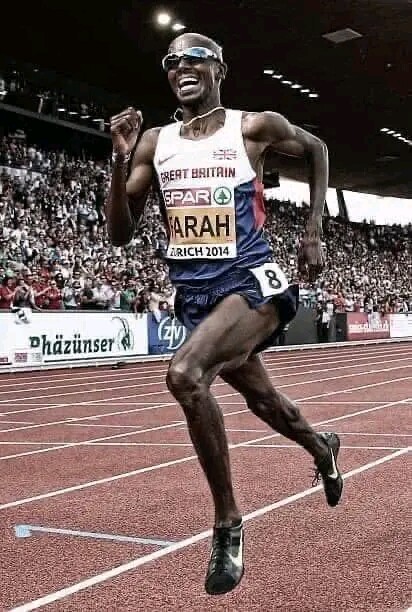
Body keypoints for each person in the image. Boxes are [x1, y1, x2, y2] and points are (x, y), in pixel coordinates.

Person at [106, 32, 343, 596]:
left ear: (219, 70)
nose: (181, 67)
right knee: (266, 402)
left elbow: (317, 148)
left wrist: (313, 229)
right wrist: (118, 161)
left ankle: (227, 523)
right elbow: (118, 235)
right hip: (196, 295)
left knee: (185, 374)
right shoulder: (155, 142)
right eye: (172, 61)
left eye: (195, 58)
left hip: (252, 280)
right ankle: (322, 448)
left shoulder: (252, 126)